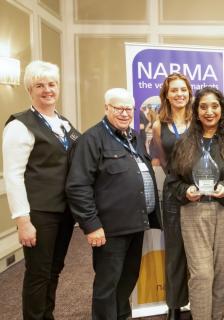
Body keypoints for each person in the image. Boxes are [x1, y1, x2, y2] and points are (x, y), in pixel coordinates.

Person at [65, 88, 161, 319]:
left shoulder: (134, 137)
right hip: (109, 228)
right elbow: (78, 186)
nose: (125, 113)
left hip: (136, 223)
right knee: (107, 285)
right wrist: (91, 225)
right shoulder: (91, 139)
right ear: (106, 108)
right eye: (118, 108)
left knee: (128, 279)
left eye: (129, 108)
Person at [2, 60, 80, 320]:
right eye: (40, 85)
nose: (47, 90)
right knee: (38, 273)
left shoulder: (63, 123)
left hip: (64, 211)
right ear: (29, 90)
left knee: (54, 269)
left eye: (52, 84)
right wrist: (23, 220)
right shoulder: (19, 125)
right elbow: (13, 176)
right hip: (39, 213)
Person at [168, 87, 224, 320]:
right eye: (203, 106)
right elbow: (173, 181)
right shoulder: (184, 142)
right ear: (196, 110)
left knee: (222, 273)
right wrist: (186, 191)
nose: (209, 111)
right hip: (193, 211)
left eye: (214, 106)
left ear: (222, 109)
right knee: (202, 273)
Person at [151, 73, 193, 320]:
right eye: (174, 90)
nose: (179, 94)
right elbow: (164, 161)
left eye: (183, 90)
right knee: (175, 249)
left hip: (200, 192)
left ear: (189, 93)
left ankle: (199, 299)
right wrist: (177, 182)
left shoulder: (199, 120)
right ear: (166, 94)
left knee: (198, 250)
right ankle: (174, 306)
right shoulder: (159, 125)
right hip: (173, 193)